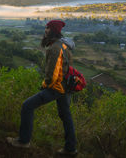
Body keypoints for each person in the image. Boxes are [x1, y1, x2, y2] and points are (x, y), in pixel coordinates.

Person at [7, 20, 77, 156]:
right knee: (66, 116)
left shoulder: (55, 48)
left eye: (48, 28)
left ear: (53, 30)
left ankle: (23, 141)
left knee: (27, 106)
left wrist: (46, 85)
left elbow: (53, 74)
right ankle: (70, 148)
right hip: (65, 87)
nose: (45, 30)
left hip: (57, 87)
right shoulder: (63, 45)